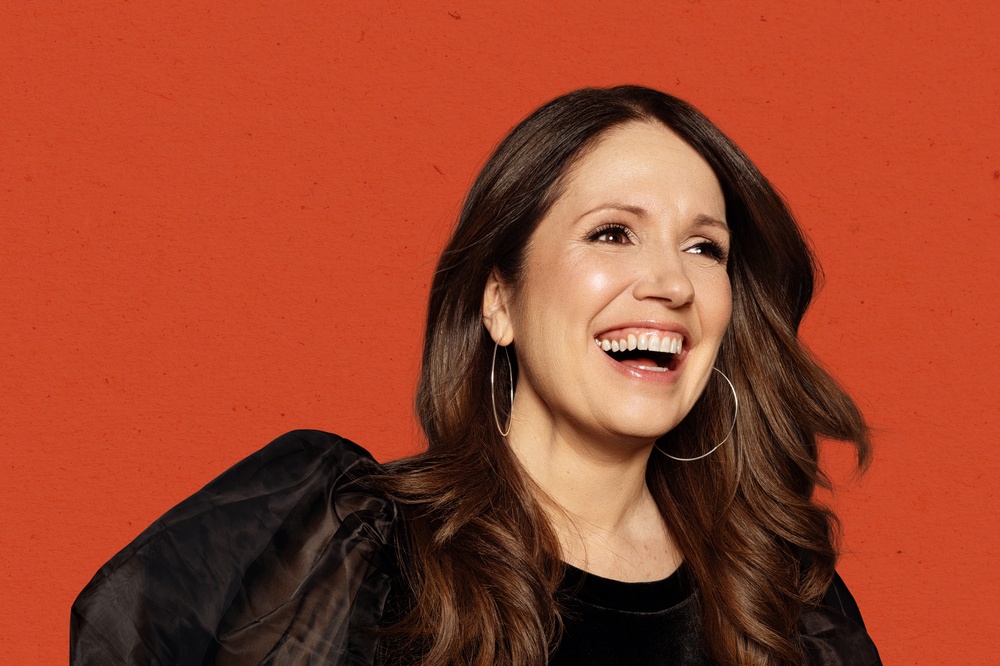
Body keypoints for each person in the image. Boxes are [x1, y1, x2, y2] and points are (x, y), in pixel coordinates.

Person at [71, 86, 881, 665]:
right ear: (500, 301)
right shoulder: (350, 550)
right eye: (611, 233)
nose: (671, 282)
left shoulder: (788, 611)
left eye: (705, 248)